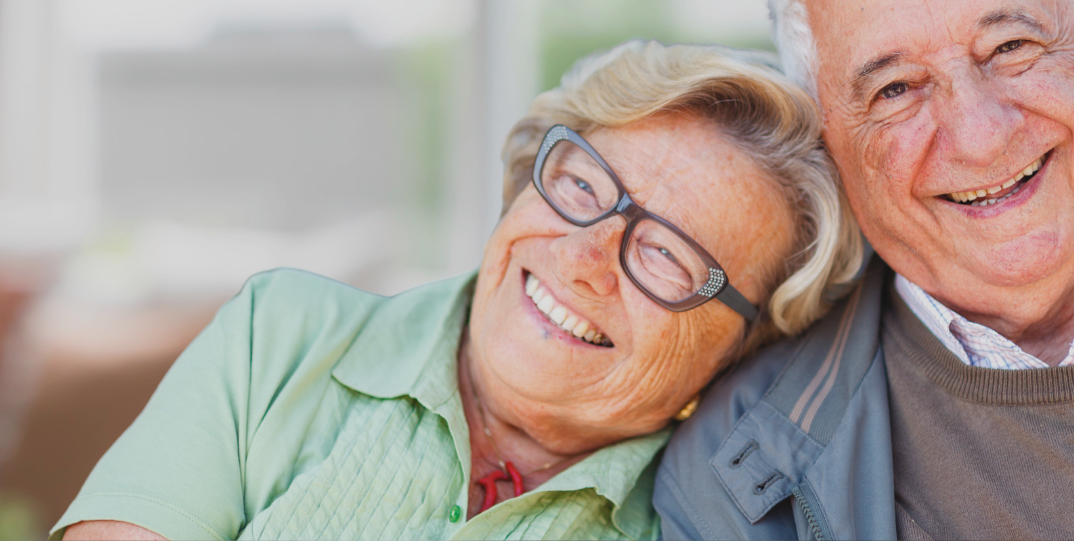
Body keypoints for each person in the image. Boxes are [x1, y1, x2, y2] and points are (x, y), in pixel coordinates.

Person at [54, 40, 863, 540]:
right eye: (581, 186)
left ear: (740, 346)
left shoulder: (695, 524)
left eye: (666, 255)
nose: (583, 255)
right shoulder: (281, 335)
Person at [657, 0, 1074, 540]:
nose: (980, 136)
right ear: (827, 146)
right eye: (895, 90)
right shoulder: (734, 483)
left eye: (1011, 46)